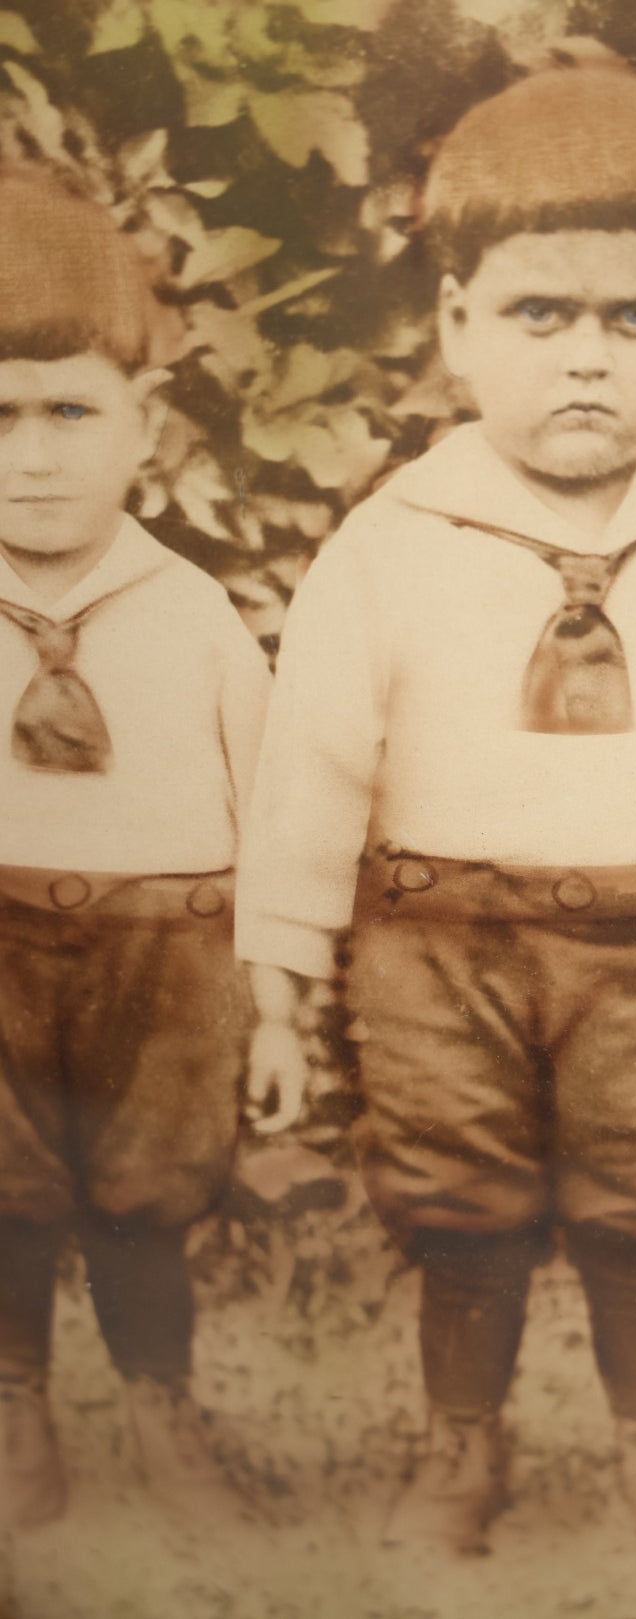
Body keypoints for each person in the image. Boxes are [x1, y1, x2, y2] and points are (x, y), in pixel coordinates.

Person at [238, 63, 636, 1558]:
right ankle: (463, 1453)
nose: (588, 363)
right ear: (456, 327)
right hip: (441, 945)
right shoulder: (394, 540)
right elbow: (313, 762)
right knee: (464, 1210)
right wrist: (275, 983)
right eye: (539, 317)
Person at [0, 171, 271, 1529]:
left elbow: (271, 813)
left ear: (143, 428)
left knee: (144, 1195)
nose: (31, 458)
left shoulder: (195, 616)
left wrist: (272, 1005)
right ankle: (15, 1420)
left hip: (164, 958)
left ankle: (163, 1414)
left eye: (67, 412)